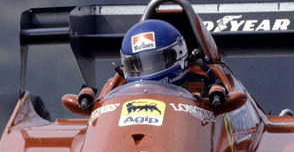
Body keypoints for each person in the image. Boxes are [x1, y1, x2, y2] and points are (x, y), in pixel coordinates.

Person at [75, 19, 228, 110]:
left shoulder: (208, 80)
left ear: (179, 54)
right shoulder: (117, 87)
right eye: (139, 65)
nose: (148, 69)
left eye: (156, 61)